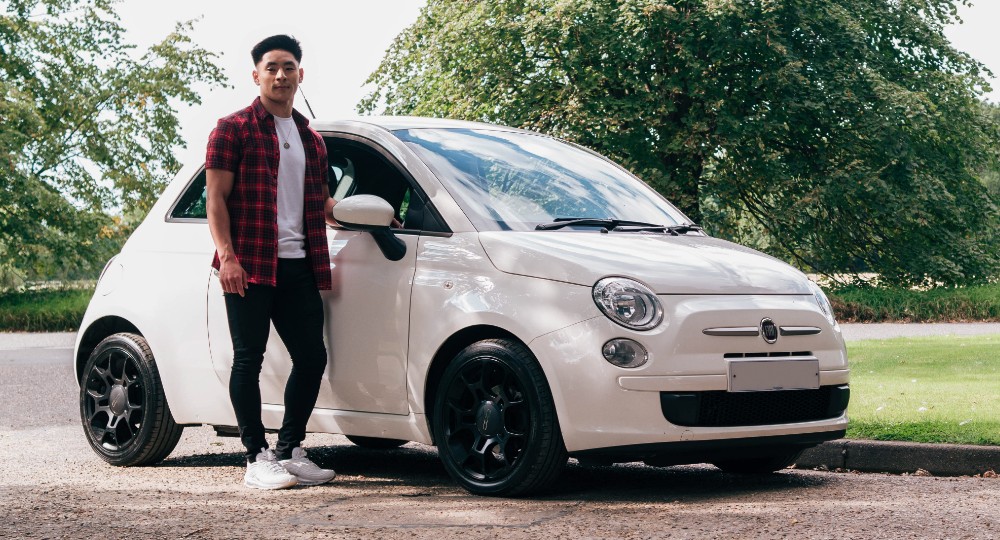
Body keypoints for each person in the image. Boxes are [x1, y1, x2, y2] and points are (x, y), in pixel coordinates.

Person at [205, 34, 337, 490]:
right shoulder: (233, 128)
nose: (281, 75)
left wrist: (373, 213)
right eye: (272, 67)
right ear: (256, 74)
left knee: (312, 357)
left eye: (289, 67)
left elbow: (321, 203)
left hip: (299, 264)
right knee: (248, 360)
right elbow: (216, 200)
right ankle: (255, 457)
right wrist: (228, 257)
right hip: (250, 264)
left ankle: (289, 449)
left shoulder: (311, 138)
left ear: (301, 73)